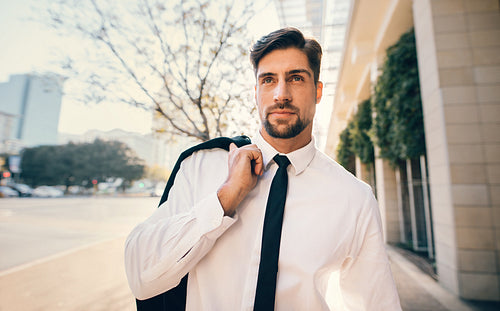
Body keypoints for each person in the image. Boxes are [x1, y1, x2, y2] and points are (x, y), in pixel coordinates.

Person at [125, 27, 401, 310]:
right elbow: (141, 277)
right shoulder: (201, 166)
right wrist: (223, 200)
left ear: (318, 91)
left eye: (296, 78)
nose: (281, 94)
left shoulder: (354, 197)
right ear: (256, 92)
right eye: (269, 80)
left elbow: (377, 303)